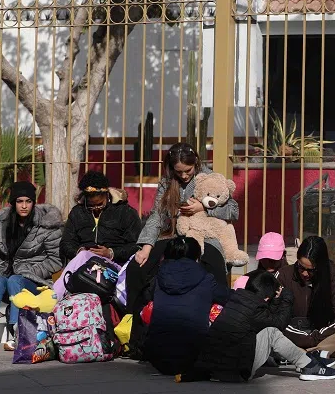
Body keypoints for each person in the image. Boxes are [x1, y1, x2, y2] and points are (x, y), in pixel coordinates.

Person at [125, 143, 239, 351]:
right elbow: (157, 215)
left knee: (214, 265)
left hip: (206, 236)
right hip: (173, 235)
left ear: (195, 162)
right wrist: (147, 247)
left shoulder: (211, 178)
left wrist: (204, 207)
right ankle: (133, 331)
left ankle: (221, 326)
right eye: (179, 172)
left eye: (188, 171)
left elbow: (233, 211)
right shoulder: (167, 182)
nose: (184, 176)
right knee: (137, 268)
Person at [188, 269, 335, 382]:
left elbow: (267, 316)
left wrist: (274, 300)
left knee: (264, 330)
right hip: (235, 373)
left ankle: (306, 358)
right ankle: (309, 365)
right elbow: (279, 324)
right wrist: (286, 298)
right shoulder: (255, 309)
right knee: (271, 332)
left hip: (215, 369)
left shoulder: (237, 300)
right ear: (267, 297)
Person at [0, 182, 62, 352]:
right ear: (13, 203)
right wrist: (4, 267)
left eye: (28, 201)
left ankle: (14, 331)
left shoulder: (47, 226)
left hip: (35, 282)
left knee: (15, 280)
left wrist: (28, 270)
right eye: (19, 201)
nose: (24, 206)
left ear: (34, 202)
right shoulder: (5, 223)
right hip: (10, 277)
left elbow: (55, 260)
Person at [143, 236, 229, 376]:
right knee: (217, 310)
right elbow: (227, 298)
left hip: (158, 358)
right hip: (194, 358)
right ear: (197, 258)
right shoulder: (206, 279)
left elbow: (146, 297)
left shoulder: (158, 278)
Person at [277, 236, 335, 360]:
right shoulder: (283, 275)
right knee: (271, 335)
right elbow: (274, 317)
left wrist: (317, 337)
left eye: (311, 270)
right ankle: (314, 355)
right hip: (292, 336)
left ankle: (305, 355)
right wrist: (305, 338)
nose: (305, 274)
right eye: (301, 267)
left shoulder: (332, 277)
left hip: (322, 338)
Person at [60, 171, 143, 265]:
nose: (96, 208)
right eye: (91, 205)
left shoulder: (126, 212)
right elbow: (66, 243)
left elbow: (137, 245)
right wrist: (79, 252)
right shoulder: (77, 212)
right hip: (83, 264)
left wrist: (111, 253)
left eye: (100, 204)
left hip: (117, 264)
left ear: (107, 195)